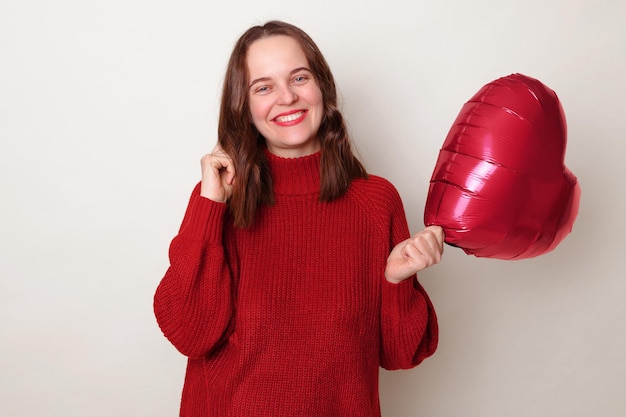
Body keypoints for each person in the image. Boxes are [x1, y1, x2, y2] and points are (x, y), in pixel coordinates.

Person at [153, 20, 445, 417]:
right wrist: (209, 205)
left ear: (321, 86)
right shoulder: (220, 199)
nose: (287, 97)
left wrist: (396, 281)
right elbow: (190, 332)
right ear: (244, 105)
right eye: (264, 87)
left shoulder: (376, 201)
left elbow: (401, 354)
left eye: (299, 77)